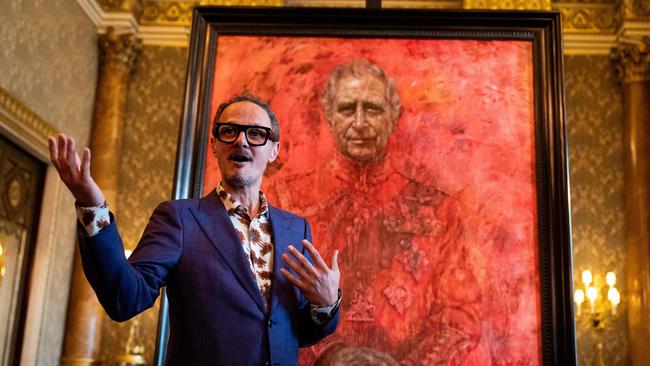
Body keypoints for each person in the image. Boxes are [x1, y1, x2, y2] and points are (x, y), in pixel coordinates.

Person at [48, 94, 341, 366]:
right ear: (214, 144)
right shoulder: (179, 218)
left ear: (274, 150)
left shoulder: (296, 228)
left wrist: (325, 304)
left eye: (255, 134)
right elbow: (125, 299)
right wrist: (92, 206)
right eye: (230, 130)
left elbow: (293, 331)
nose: (241, 140)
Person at [267, 60, 482, 365]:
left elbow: (461, 314)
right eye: (346, 109)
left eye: (372, 109)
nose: (359, 123)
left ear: (394, 116)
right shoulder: (283, 198)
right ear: (329, 115)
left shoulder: (438, 208)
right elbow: (267, 300)